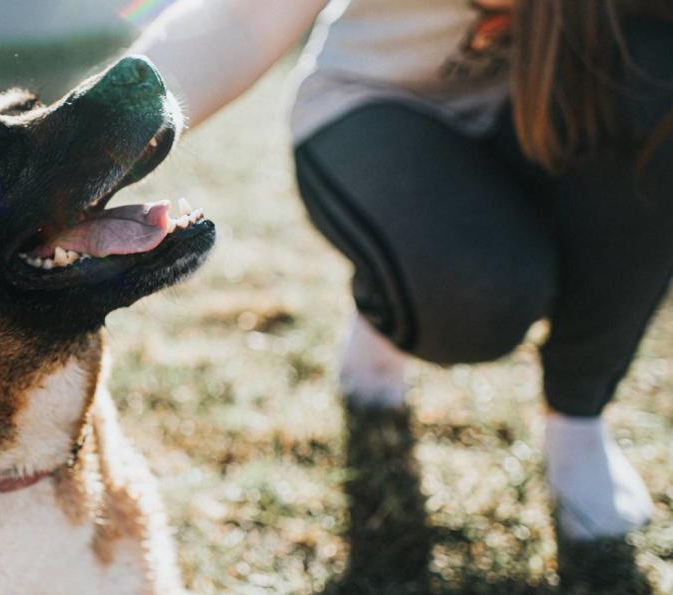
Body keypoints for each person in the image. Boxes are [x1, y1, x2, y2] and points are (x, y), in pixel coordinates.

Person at [125, 0, 673, 540]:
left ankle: (577, 420)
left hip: (527, 124)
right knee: (478, 296)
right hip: (372, 106)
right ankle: (385, 303)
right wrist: (100, 141)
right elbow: (242, 20)